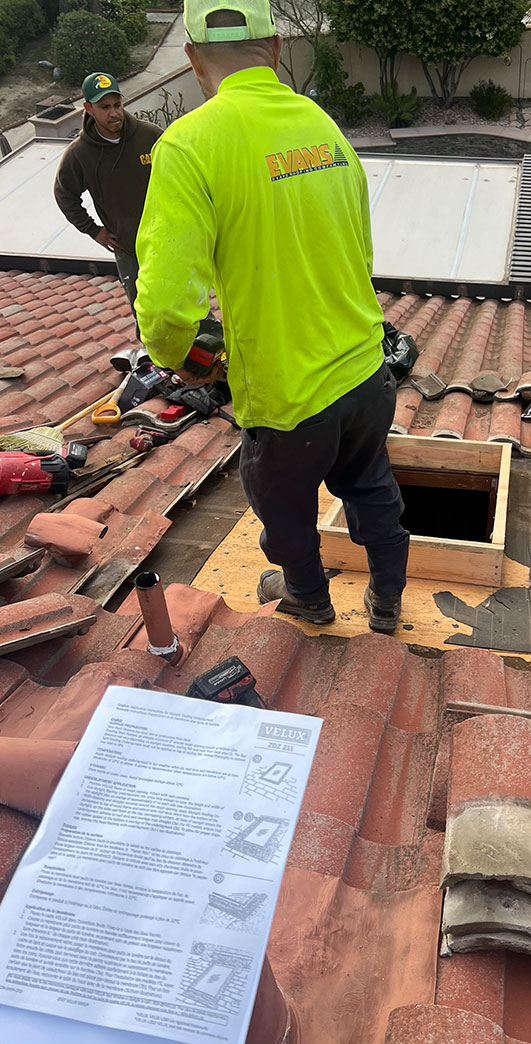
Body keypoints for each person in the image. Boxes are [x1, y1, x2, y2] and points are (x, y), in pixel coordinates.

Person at [133, 0, 410, 633]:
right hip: (366, 371)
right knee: (371, 485)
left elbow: (167, 305)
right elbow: (360, 250)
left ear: (192, 58)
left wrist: (182, 358)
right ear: (277, 47)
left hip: (289, 396)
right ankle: (387, 602)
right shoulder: (322, 125)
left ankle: (307, 595)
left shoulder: (190, 144)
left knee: (284, 509)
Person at [53, 73, 162, 337]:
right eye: (104, 107)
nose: (114, 113)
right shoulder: (80, 153)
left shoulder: (150, 136)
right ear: (88, 108)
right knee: (147, 319)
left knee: (189, 309)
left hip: (167, 243)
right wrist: (93, 230)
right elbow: (64, 194)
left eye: (117, 105)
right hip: (129, 250)